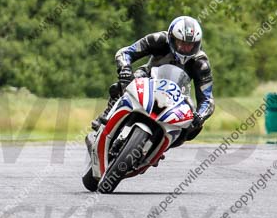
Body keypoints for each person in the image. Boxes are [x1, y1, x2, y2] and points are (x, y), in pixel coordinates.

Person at [91, 16, 214, 148]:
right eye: (181, 43)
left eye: (190, 45)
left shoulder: (201, 63)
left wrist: (201, 116)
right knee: (126, 81)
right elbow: (125, 52)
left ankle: (162, 145)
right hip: (148, 77)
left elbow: (207, 100)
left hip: (178, 94)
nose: (185, 48)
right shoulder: (158, 40)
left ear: (197, 44)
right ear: (172, 38)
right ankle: (107, 115)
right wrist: (125, 68)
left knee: (194, 125)